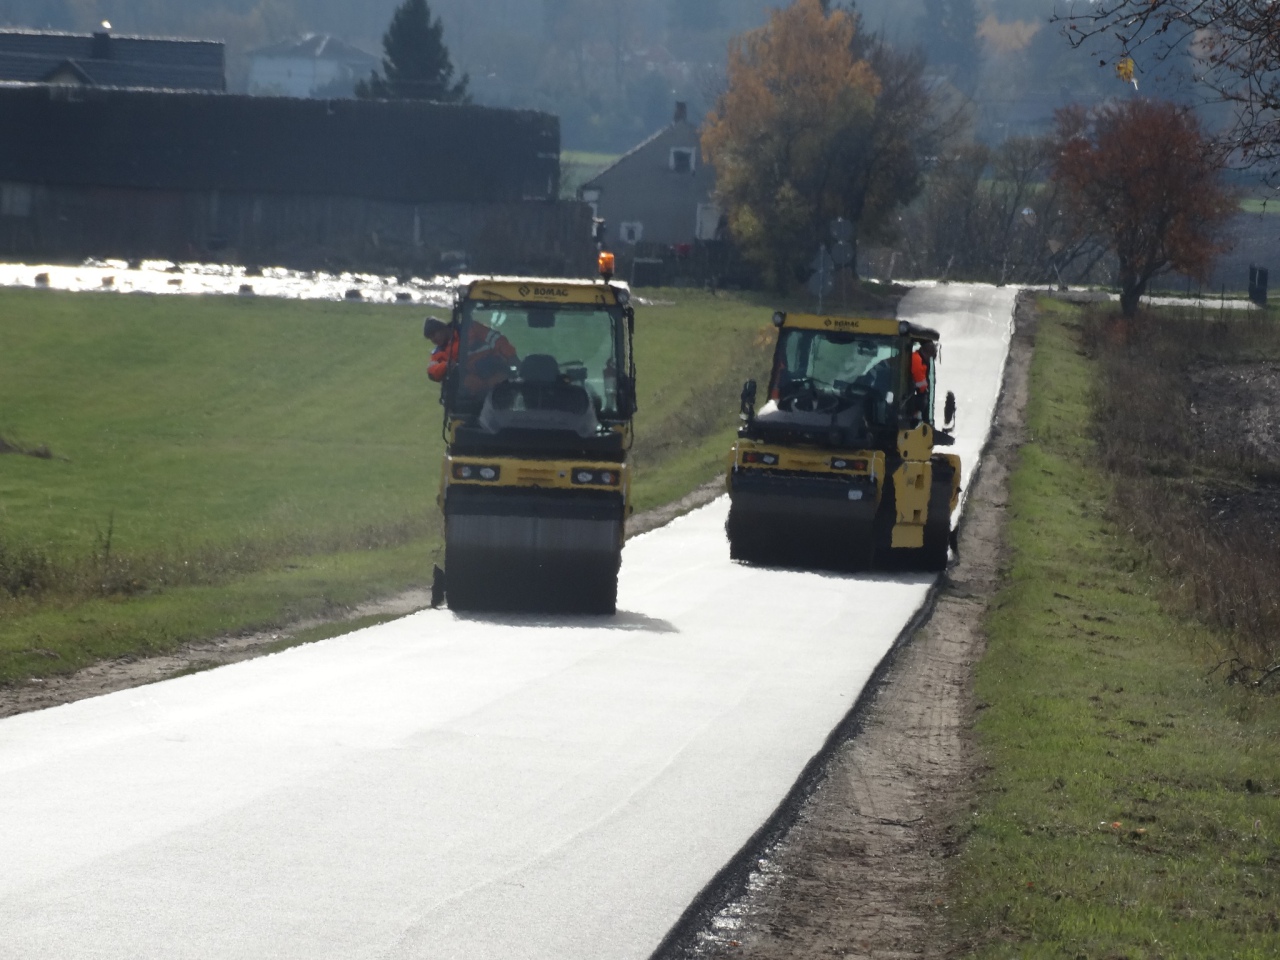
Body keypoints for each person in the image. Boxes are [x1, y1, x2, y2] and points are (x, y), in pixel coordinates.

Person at [424, 316, 518, 395]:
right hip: (473, 391)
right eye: (430, 338)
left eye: (434, 334)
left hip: (495, 374)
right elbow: (432, 372)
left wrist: (511, 357)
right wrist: (446, 366)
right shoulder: (439, 352)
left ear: (442, 328)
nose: (433, 340)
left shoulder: (471, 329)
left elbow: (498, 340)